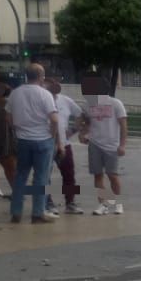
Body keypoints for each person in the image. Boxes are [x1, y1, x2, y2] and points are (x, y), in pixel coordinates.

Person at [5, 64, 62, 224]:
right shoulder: (45, 94)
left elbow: (8, 118)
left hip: (23, 140)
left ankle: (16, 212)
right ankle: (37, 213)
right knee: (40, 178)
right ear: (41, 76)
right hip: (43, 140)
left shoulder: (15, 94)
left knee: (20, 176)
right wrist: (52, 135)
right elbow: (55, 119)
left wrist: (17, 131)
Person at [80, 75, 128, 215]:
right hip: (95, 144)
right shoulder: (87, 105)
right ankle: (104, 204)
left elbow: (124, 126)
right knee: (98, 175)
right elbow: (86, 122)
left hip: (112, 145)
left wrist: (122, 145)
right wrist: (83, 133)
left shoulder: (115, 103)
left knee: (112, 175)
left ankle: (117, 203)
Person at [43, 78, 85, 215]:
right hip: (45, 144)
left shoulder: (65, 100)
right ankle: (48, 203)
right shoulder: (40, 100)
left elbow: (80, 114)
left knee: (69, 175)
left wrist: (73, 130)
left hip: (65, 144)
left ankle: (70, 203)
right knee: (45, 176)